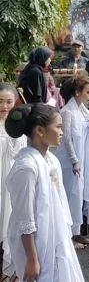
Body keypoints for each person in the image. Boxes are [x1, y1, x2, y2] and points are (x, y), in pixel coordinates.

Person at [5, 103, 85, 281]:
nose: (62, 132)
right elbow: (25, 219)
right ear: (40, 130)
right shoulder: (26, 167)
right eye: (58, 127)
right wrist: (32, 259)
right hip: (37, 245)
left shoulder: (52, 160)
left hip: (57, 237)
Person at [54, 75, 89, 250]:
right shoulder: (67, 112)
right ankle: (68, 235)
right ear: (77, 92)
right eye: (88, 92)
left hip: (82, 158)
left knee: (78, 196)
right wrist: (75, 161)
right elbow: (66, 139)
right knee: (70, 196)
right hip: (69, 161)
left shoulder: (83, 110)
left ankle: (77, 232)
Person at [0, 84, 26, 278]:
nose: (5, 106)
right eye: (0, 102)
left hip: (13, 183)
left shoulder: (20, 127)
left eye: (9, 101)